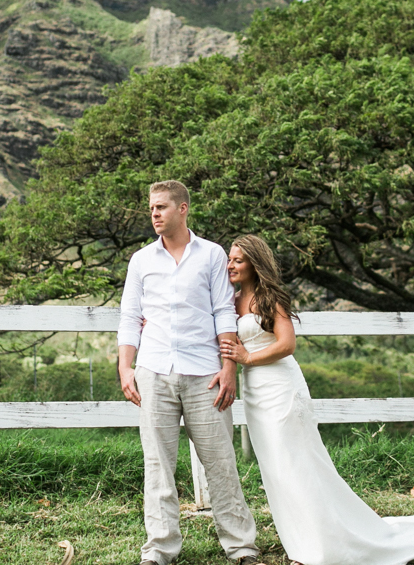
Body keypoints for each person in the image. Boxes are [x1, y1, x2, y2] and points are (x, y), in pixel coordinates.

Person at [219, 234, 414, 565]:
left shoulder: (271, 298)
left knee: (298, 464)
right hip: (254, 392)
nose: (230, 265)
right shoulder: (231, 301)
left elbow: (286, 344)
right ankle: (301, 542)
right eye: (229, 259)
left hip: (281, 387)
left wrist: (247, 358)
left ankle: (320, 548)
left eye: (238, 260)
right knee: (276, 469)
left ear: (255, 262)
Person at [118, 181, 260, 565]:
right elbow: (130, 316)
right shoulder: (141, 260)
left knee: (221, 462)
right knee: (158, 464)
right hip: (154, 371)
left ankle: (242, 547)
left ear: (183, 209)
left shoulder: (212, 255)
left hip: (205, 374)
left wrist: (229, 366)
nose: (154, 214)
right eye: (151, 208)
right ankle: (159, 549)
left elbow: (222, 311)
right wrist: (125, 367)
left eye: (161, 207)